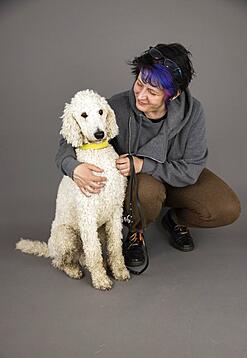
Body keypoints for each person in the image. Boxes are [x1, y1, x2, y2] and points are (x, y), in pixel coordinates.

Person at [55, 43, 241, 268]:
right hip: (142, 185)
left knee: (227, 208)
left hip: (177, 178)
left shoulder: (193, 113)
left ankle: (174, 221)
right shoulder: (117, 106)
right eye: (140, 83)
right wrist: (73, 167)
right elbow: (66, 142)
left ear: (174, 95)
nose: (141, 95)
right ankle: (136, 232)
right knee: (147, 191)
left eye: (152, 92)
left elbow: (192, 169)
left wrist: (145, 164)